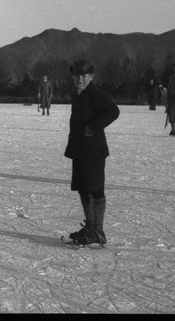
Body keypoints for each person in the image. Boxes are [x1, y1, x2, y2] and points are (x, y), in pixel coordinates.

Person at [63, 60, 120, 247]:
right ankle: (90, 227)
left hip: (93, 150)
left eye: (84, 76)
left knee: (95, 189)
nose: (79, 79)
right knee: (83, 187)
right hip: (80, 148)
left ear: (91, 77)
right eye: (76, 76)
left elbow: (113, 111)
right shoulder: (80, 94)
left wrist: (93, 126)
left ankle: (98, 231)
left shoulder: (94, 93)